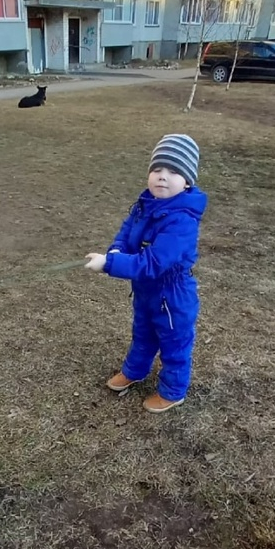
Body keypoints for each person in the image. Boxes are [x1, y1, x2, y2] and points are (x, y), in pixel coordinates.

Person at [84, 134, 208, 414]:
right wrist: (115, 252)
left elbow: (154, 262)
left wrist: (109, 265)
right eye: (157, 169)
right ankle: (134, 370)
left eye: (173, 171)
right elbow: (127, 233)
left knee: (174, 343)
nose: (162, 177)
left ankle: (173, 391)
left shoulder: (182, 220)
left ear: (187, 181)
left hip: (172, 295)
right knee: (142, 333)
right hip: (145, 290)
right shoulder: (146, 203)